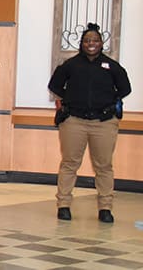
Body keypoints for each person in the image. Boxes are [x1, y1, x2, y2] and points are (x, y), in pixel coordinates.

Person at [48, 23, 131, 223]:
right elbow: (55, 85)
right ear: (82, 43)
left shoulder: (111, 66)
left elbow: (125, 88)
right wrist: (70, 99)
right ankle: (64, 205)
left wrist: (109, 101)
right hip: (74, 122)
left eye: (94, 40)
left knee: (104, 166)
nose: (91, 44)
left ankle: (105, 208)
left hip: (104, 122)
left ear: (101, 43)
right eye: (87, 41)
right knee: (69, 164)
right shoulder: (70, 65)